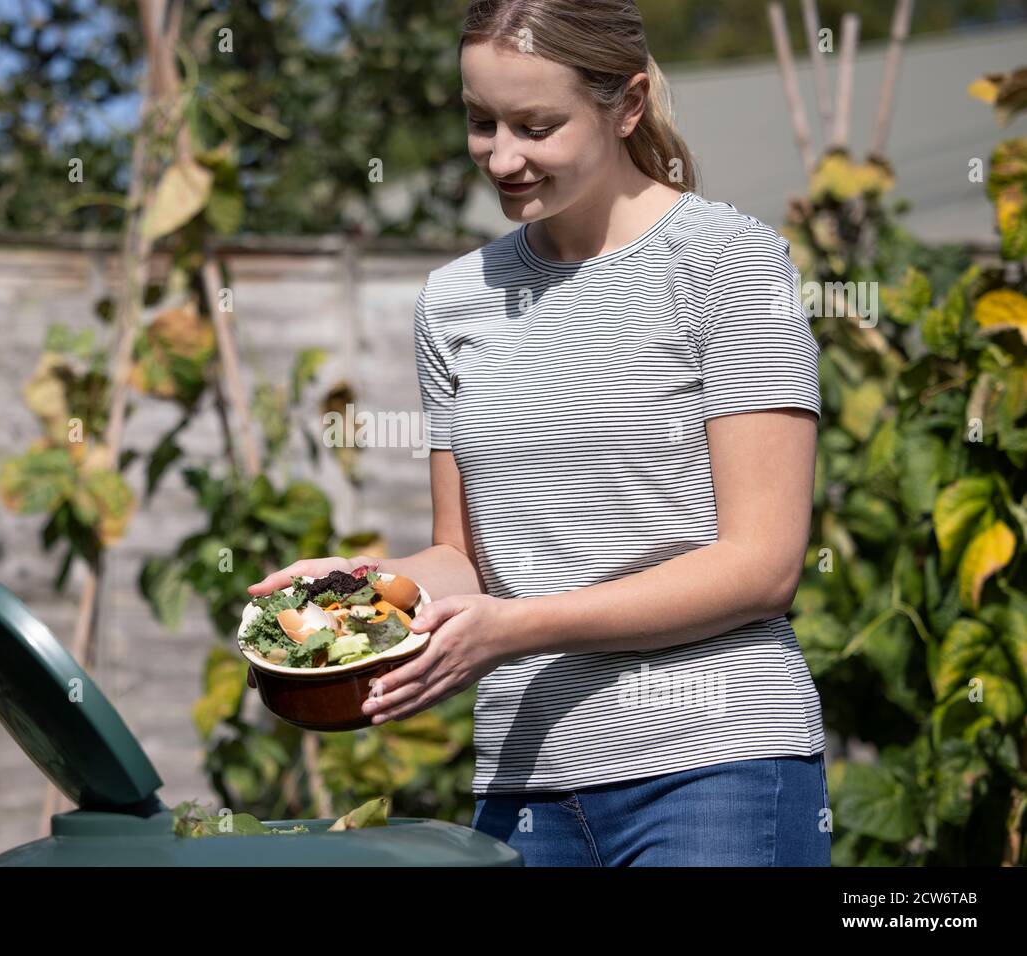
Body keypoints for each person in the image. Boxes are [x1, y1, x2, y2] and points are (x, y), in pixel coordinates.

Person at [249, 0, 830, 867]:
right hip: (524, 782)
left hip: (716, 771)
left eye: (536, 125)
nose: (503, 158)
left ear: (626, 105)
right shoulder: (455, 301)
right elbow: (466, 560)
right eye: (482, 123)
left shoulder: (729, 265)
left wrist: (518, 627)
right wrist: (351, 590)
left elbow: (763, 565)